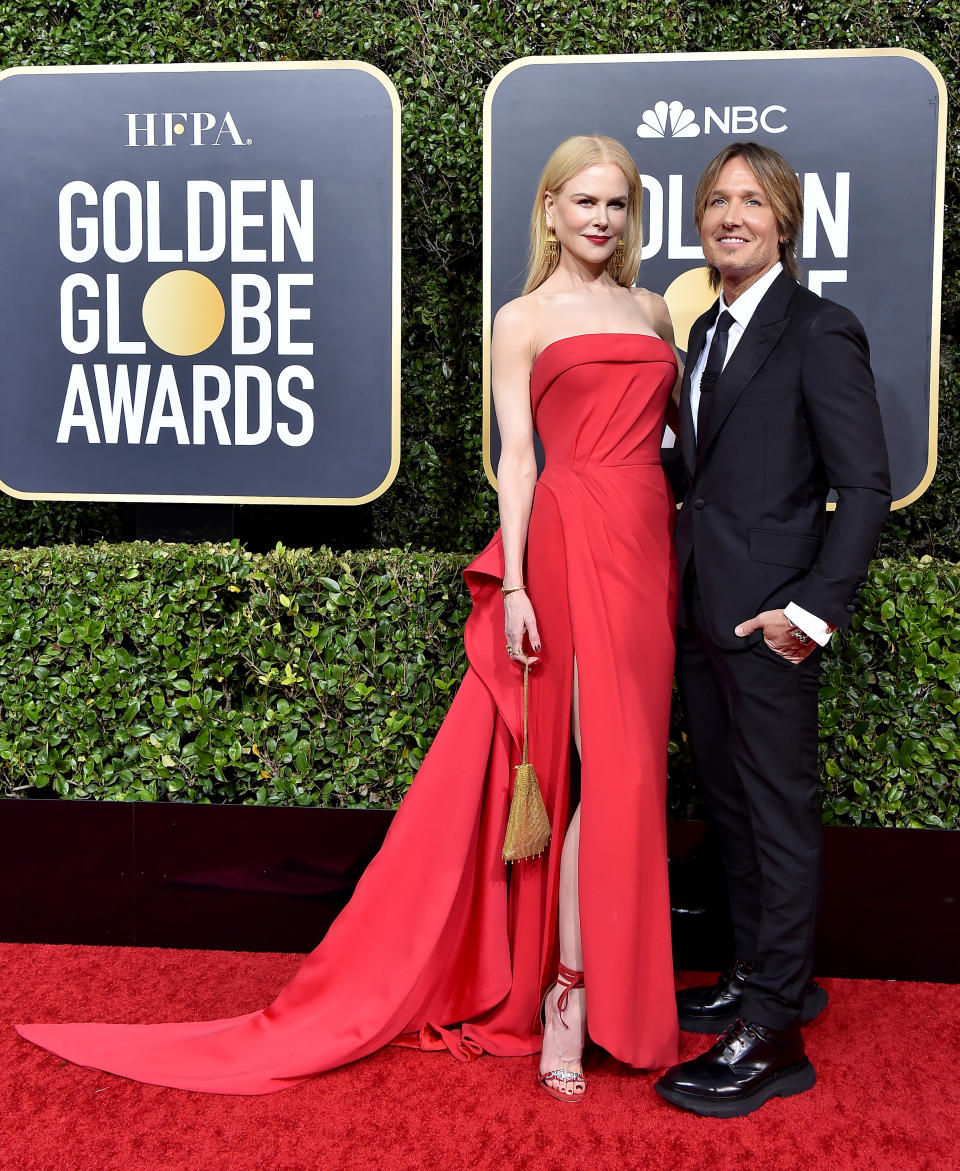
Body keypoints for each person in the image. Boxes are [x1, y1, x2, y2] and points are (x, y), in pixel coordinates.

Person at [17, 135, 682, 1101]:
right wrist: (524, 585)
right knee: (594, 773)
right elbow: (521, 460)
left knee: (636, 775)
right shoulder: (522, 318)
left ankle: (621, 987)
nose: (600, 219)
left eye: (617, 204)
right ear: (547, 209)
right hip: (574, 546)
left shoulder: (656, 307)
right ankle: (569, 998)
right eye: (583, 201)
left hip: (648, 548)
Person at [654, 142, 891, 1119]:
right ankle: (762, 978)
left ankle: (776, 1037)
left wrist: (809, 612)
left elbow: (864, 485)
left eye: (752, 200)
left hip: (768, 620)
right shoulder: (703, 329)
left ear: (785, 222)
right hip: (702, 608)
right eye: (717, 201)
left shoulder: (819, 329)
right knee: (736, 809)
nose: (731, 215)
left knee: (779, 816)